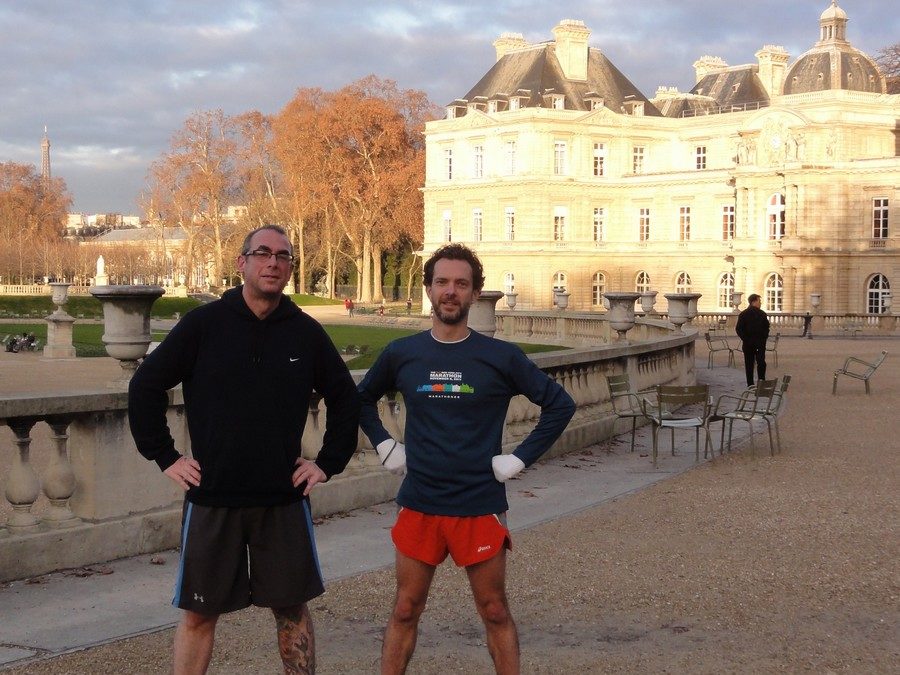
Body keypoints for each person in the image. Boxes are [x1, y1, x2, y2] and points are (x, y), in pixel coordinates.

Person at [128, 224, 360, 674]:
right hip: (214, 496)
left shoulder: (305, 333)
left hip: (282, 497)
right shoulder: (203, 325)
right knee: (198, 615)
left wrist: (328, 463)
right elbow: (146, 385)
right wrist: (165, 456)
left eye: (284, 256)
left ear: (291, 268)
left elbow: (346, 397)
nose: (273, 262)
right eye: (263, 253)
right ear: (243, 263)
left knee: (292, 611)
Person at [358, 243, 576, 674]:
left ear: (475, 293)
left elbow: (560, 406)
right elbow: (360, 400)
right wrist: (384, 444)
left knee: (494, 609)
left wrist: (518, 460)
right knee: (405, 608)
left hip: (479, 503)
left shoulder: (500, 356)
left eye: (461, 283)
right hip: (420, 500)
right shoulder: (403, 353)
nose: (451, 291)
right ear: (429, 289)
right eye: (442, 282)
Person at [735, 293, 770, 387]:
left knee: (750, 364)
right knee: (761, 363)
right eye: (759, 301)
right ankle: (761, 381)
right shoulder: (761, 314)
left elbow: (739, 329)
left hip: (750, 343)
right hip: (757, 343)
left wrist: (746, 339)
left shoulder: (744, 314)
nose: (761, 303)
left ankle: (750, 384)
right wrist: (763, 338)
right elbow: (766, 328)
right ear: (754, 301)